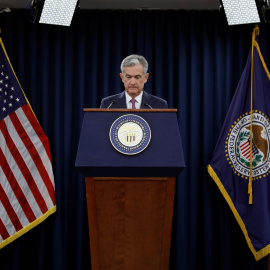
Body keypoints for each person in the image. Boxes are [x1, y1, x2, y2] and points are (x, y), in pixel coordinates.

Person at [100, 54, 168, 109]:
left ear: (146, 77)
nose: (132, 82)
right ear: (122, 77)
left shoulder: (159, 105)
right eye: (128, 77)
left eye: (137, 77)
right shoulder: (108, 105)